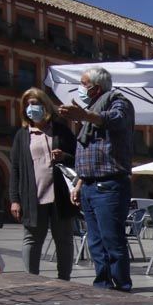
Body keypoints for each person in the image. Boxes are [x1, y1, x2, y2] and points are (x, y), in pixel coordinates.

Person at [60, 66, 136, 292]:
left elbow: (116, 120)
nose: (80, 89)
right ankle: (102, 285)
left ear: (97, 87)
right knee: (95, 241)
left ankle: (122, 286)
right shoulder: (91, 112)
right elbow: (89, 156)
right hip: (90, 186)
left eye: (84, 84)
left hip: (109, 184)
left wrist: (84, 116)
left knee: (112, 240)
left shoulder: (118, 101)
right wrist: (79, 184)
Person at [10, 88, 77, 281]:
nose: (31, 108)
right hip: (33, 196)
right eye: (28, 104)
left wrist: (65, 156)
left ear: (45, 106)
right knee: (31, 239)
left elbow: (78, 158)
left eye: (35, 104)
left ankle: (64, 279)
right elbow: (15, 169)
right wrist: (15, 199)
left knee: (63, 240)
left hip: (60, 195)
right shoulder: (22, 135)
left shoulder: (61, 130)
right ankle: (31, 279)